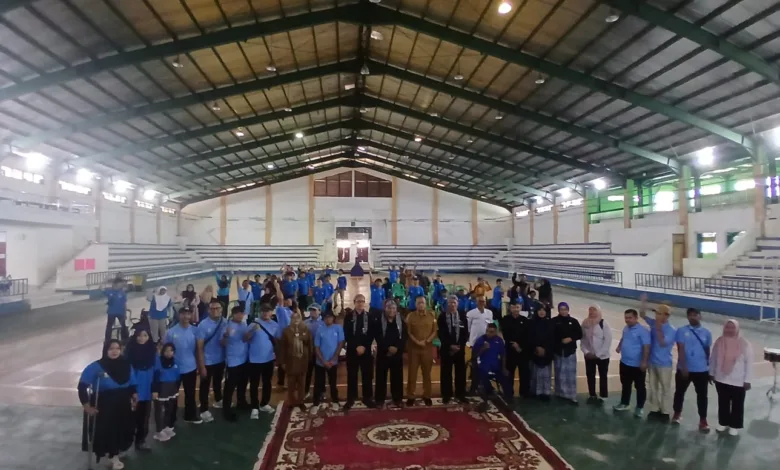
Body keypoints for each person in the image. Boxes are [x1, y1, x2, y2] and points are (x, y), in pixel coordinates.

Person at [78, 340, 137, 470]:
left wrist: (134, 395)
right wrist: (87, 406)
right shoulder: (95, 367)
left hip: (123, 402)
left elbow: (132, 384)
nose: (114, 351)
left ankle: (116, 451)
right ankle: (112, 456)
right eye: (111, 348)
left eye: (117, 348)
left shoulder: (127, 365)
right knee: (109, 430)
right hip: (105, 404)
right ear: (105, 350)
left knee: (122, 427)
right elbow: (82, 387)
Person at [710, 319, 753, 436]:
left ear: (737, 329)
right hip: (721, 378)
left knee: (737, 404)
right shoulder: (719, 341)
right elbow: (713, 358)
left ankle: (734, 425)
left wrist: (747, 380)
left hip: (738, 381)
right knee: (723, 402)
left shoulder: (745, 344)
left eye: (732, 327)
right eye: (727, 327)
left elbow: (749, 363)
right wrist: (712, 373)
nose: (729, 330)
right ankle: (723, 422)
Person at [673, 307, 713, 430]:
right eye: (690, 315)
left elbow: (707, 351)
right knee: (679, 392)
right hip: (684, 369)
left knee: (702, 396)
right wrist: (684, 366)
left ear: (700, 316)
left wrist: (709, 368)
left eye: (695, 315)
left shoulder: (707, 333)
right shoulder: (681, 331)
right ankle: (677, 414)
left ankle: (703, 420)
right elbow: (680, 349)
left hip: (701, 370)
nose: (692, 317)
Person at [164, 307, 203, 424]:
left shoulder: (195, 330)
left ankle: (190, 416)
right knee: (172, 395)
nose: (186, 316)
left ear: (191, 315)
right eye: (183, 314)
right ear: (179, 315)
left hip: (190, 368)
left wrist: (200, 366)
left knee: (190, 394)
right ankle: (171, 419)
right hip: (174, 370)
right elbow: (166, 351)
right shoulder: (171, 332)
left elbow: (198, 350)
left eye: (188, 314)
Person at [639, 300, 676, 422]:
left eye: (659, 313)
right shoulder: (654, 323)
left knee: (665, 388)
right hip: (652, 361)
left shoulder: (671, 330)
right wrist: (643, 302)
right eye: (656, 313)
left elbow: (663, 343)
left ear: (666, 316)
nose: (656, 316)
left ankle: (665, 411)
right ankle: (654, 408)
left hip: (664, 364)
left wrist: (659, 329)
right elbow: (642, 314)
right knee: (653, 386)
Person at [613, 309, 651, 417]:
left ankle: (639, 407)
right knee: (625, 384)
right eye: (626, 318)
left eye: (630, 318)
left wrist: (644, 361)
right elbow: (623, 337)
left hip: (637, 365)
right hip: (624, 362)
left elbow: (646, 347)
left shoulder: (643, 331)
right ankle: (625, 403)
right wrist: (619, 346)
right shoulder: (626, 328)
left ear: (636, 318)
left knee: (640, 386)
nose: (627, 320)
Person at [124, 327, 156, 452]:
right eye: (139, 335)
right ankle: (125, 444)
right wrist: (132, 391)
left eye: (145, 335)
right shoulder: (129, 354)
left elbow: (157, 372)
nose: (141, 338)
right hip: (133, 393)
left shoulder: (152, 352)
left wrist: (155, 389)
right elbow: (126, 374)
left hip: (147, 392)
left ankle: (141, 441)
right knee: (129, 419)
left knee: (144, 418)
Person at [245, 304, 280, 419]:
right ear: (260, 312)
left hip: (268, 359)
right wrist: (252, 331)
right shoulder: (253, 324)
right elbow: (245, 339)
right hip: (254, 360)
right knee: (254, 384)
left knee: (267, 382)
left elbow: (277, 341)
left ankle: (264, 403)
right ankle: (254, 407)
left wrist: (278, 356)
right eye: (263, 311)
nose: (265, 313)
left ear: (271, 312)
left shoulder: (275, 325)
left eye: (268, 311)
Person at [196, 299, 227, 423]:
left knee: (218, 381)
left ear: (221, 309)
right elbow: (199, 347)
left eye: (217, 308)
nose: (215, 310)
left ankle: (218, 400)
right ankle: (203, 409)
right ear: (208, 310)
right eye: (212, 308)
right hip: (207, 361)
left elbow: (224, 342)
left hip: (221, 359)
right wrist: (201, 365)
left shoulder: (225, 322)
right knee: (205, 385)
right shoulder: (203, 325)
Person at [344, 294, 376, 409]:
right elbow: (347, 334)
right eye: (358, 301)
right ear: (354, 302)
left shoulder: (370, 316)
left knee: (367, 375)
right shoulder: (348, 316)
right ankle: (351, 398)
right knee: (352, 375)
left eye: (362, 301)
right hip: (352, 350)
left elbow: (372, 334)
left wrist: (364, 346)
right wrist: (356, 346)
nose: (360, 303)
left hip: (366, 350)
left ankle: (367, 398)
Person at [373, 299, 406, 408]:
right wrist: (388, 348)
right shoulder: (379, 321)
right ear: (385, 309)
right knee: (381, 378)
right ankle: (379, 400)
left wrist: (396, 348)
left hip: (397, 354)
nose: (391, 310)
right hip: (383, 353)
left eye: (393, 308)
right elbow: (378, 336)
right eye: (389, 308)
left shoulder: (401, 321)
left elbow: (404, 336)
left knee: (397, 378)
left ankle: (397, 399)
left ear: (396, 309)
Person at [219, 305, 250, 421]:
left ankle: (241, 402)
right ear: (233, 314)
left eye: (242, 313)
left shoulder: (244, 324)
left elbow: (245, 339)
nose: (240, 315)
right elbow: (222, 343)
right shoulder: (227, 326)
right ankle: (226, 410)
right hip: (233, 361)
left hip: (244, 359)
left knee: (243, 383)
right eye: (238, 313)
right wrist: (226, 336)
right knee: (230, 386)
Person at [406, 296, 437, 406]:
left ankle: (427, 395)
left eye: (422, 302)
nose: (421, 304)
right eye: (419, 303)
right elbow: (408, 332)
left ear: (426, 304)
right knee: (412, 374)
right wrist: (417, 342)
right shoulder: (410, 316)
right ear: (415, 304)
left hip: (427, 349)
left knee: (427, 374)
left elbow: (434, 331)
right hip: (413, 349)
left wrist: (427, 341)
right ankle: (410, 396)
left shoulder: (432, 315)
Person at [438, 295, 468, 404]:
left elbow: (465, 333)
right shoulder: (442, 317)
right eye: (450, 303)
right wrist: (450, 346)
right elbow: (441, 333)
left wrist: (459, 346)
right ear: (447, 304)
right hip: (447, 350)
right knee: (446, 373)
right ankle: (446, 395)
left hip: (459, 350)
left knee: (461, 373)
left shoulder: (463, 316)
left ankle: (461, 394)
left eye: (454, 303)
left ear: (457, 304)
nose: (452, 305)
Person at [312, 310, 344, 413]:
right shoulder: (319, 329)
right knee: (318, 383)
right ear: (323, 319)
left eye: (330, 317)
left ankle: (335, 401)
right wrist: (323, 361)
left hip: (333, 362)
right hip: (320, 362)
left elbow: (340, 343)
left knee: (333, 383)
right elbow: (316, 347)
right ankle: (316, 403)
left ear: (333, 318)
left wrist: (333, 359)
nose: (328, 319)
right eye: (326, 317)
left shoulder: (338, 328)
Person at [279, 312, 312, 410]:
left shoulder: (305, 329)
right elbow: (282, 347)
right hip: (291, 361)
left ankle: (301, 401)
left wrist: (310, 358)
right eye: (294, 318)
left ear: (301, 319)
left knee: (302, 383)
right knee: (291, 384)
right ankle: (292, 402)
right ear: (291, 319)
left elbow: (310, 344)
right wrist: (282, 362)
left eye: (298, 318)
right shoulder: (286, 331)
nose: (296, 319)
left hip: (302, 360)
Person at [472, 323, 513, 402]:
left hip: (496, 366)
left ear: (495, 332)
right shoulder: (480, 340)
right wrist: (483, 349)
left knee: (506, 376)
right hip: (483, 366)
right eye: (487, 331)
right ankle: (490, 391)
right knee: (482, 375)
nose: (489, 333)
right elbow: (474, 356)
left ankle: (509, 397)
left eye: (491, 332)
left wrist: (504, 368)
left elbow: (503, 355)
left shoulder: (499, 340)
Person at [580, 304, 612, 403]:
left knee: (603, 376)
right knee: (590, 375)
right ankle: (592, 394)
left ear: (598, 311)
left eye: (594, 310)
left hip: (602, 356)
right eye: (590, 310)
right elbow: (583, 340)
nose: (592, 312)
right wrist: (586, 352)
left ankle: (603, 395)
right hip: (589, 356)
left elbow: (607, 341)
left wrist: (597, 354)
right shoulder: (585, 323)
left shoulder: (603, 324)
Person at [552, 302, 582, 404]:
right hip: (558, 352)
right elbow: (551, 334)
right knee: (559, 372)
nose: (563, 311)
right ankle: (560, 393)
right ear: (559, 310)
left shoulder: (573, 321)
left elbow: (579, 334)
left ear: (568, 310)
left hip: (570, 352)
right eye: (561, 309)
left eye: (565, 309)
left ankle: (571, 394)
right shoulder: (554, 321)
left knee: (570, 374)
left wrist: (571, 338)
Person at [500, 301, 530, 398]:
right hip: (510, 350)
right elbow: (505, 334)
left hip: (522, 351)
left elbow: (527, 336)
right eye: (513, 307)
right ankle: (509, 392)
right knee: (509, 372)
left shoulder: (525, 321)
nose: (515, 309)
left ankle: (524, 393)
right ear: (510, 308)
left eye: (517, 307)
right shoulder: (505, 319)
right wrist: (514, 344)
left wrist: (520, 346)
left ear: (520, 308)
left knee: (524, 372)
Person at [151, 343, 180, 443]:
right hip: (161, 387)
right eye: (166, 350)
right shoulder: (158, 361)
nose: (169, 353)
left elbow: (178, 376)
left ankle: (166, 427)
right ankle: (159, 431)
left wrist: (176, 389)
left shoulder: (175, 361)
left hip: (172, 388)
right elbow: (155, 375)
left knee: (169, 409)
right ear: (163, 351)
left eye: (171, 350)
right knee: (159, 410)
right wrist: (155, 390)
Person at [466, 296, 493, 393]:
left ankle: (485, 386)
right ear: (476, 302)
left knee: (485, 365)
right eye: (480, 301)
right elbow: (468, 328)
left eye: (483, 301)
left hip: (486, 344)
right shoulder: (470, 313)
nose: (482, 303)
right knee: (475, 366)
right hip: (475, 344)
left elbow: (491, 327)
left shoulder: (489, 313)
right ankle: (474, 387)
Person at [528, 305, 555, 400]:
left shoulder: (550, 323)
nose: (542, 312)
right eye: (539, 310)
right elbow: (529, 336)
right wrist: (536, 348)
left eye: (543, 310)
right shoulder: (531, 323)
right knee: (534, 373)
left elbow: (552, 338)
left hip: (547, 352)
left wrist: (545, 349)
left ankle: (545, 392)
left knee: (546, 374)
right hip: (535, 351)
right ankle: (535, 391)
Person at [274, 280, 292, 388]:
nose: (290, 300)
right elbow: (280, 298)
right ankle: (280, 382)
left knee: (290, 361)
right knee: (282, 361)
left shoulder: (290, 312)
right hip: (281, 339)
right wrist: (277, 287)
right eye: (288, 299)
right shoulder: (281, 310)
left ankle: (288, 381)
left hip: (290, 338)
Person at [304, 303, 324, 400]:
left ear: (319, 311)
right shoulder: (305, 323)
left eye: (314, 310)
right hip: (309, 352)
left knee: (320, 373)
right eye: (311, 310)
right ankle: (306, 391)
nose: (312, 312)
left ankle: (321, 392)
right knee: (307, 372)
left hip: (321, 352)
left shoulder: (324, 323)